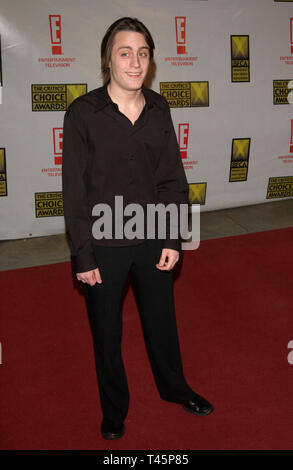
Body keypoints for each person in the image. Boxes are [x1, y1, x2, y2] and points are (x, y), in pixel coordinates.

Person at [62, 17, 213, 440]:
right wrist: (83, 255)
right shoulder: (82, 114)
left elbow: (171, 180)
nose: (135, 61)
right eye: (125, 52)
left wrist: (172, 237)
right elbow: (73, 193)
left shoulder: (160, 108)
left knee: (162, 322)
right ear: (108, 60)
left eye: (143, 53)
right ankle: (114, 410)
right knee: (107, 333)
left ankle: (176, 389)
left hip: (151, 237)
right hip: (102, 242)